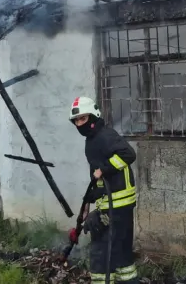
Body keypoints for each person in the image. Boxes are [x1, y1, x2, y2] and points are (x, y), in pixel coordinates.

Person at [69, 96, 138, 284]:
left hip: (117, 203)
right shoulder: (91, 140)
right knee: (120, 252)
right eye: (76, 121)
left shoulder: (105, 136)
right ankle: (128, 281)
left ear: (93, 116)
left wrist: (105, 169)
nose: (79, 124)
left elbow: (129, 154)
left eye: (83, 119)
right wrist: (88, 202)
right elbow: (97, 177)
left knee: (101, 251)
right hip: (113, 202)